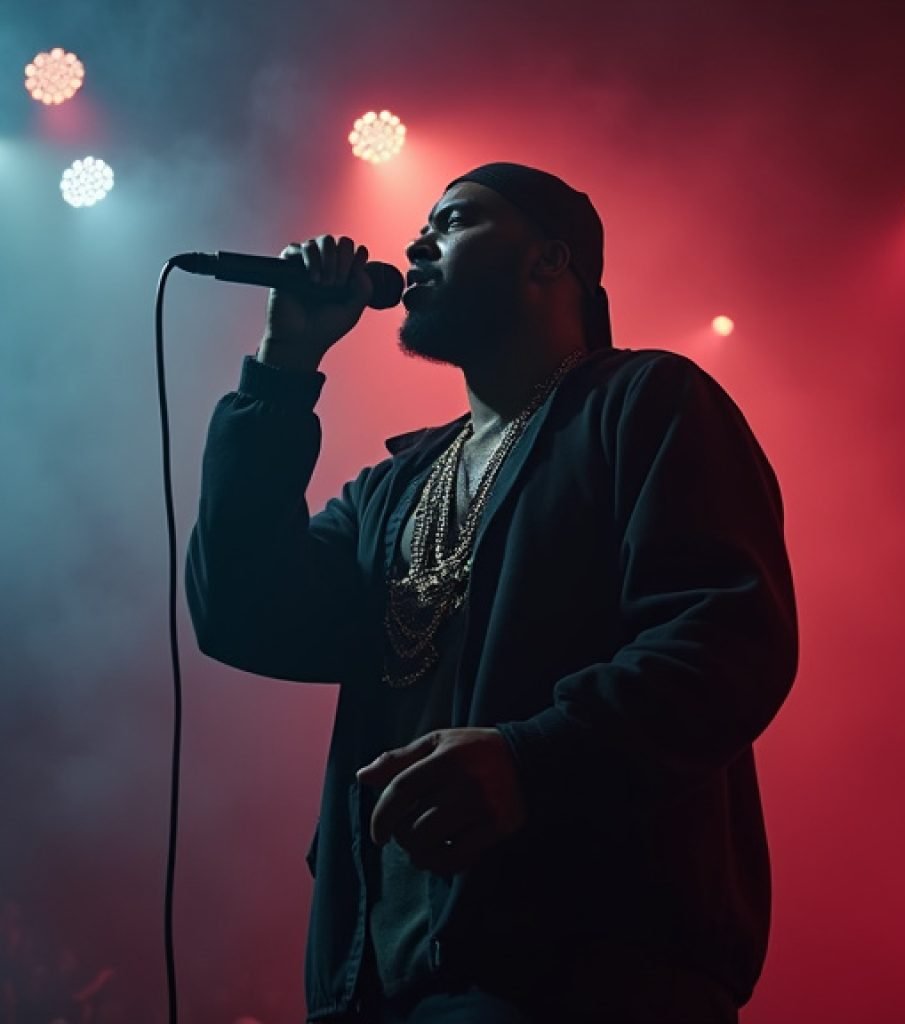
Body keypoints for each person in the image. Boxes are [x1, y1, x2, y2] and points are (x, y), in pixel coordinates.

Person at [185, 162, 799, 1024]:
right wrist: (284, 367)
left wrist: (530, 759)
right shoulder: (393, 489)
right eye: (422, 226)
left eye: (456, 221)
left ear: (549, 259)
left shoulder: (646, 403)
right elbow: (242, 611)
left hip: (590, 970)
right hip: (381, 982)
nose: (416, 244)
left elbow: (726, 641)